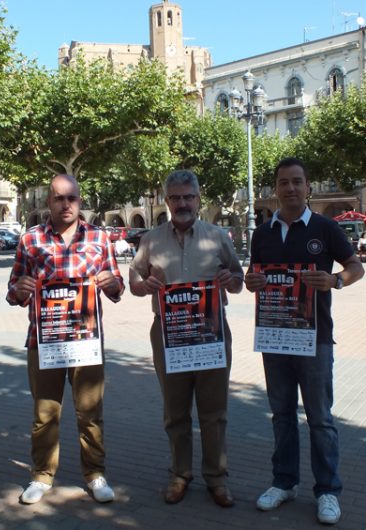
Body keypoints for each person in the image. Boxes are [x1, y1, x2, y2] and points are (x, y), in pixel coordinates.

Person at [244, 158, 364, 525]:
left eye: (298, 182)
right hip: (276, 336)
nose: (291, 188)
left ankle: (327, 491)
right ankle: (284, 483)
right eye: (284, 182)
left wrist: (337, 281)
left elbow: (356, 267)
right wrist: (252, 283)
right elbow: (253, 276)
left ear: (308, 187)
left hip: (316, 339)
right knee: (281, 416)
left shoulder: (326, 228)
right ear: (275, 188)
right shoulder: (262, 233)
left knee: (320, 418)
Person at [7, 174, 124, 505]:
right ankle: (42, 476)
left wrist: (111, 282)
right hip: (43, 342)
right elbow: (13, 290)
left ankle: (95, 474)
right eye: (59, 198)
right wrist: (20, 290)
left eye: (71, 198)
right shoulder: (30, 240)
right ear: (49, 202)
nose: (66, 204)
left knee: (91, 412)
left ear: (80, 200)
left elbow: (117, 289)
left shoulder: (99, 239)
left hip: (85, 341)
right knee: (45, 413)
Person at [129, 170, 244, 508]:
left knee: (215, 412)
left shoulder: (217, 235)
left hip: (211, 334)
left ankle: (217, 478)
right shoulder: (150, 239)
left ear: (198, 200)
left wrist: (230, 279)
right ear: (166, 201)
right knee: (175, 412)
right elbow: (135, 278)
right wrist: (143, 285)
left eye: (188, 197)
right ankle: (180, 474)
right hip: (168, 334)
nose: (182, 203)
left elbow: (238, 279)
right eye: (176, 197)